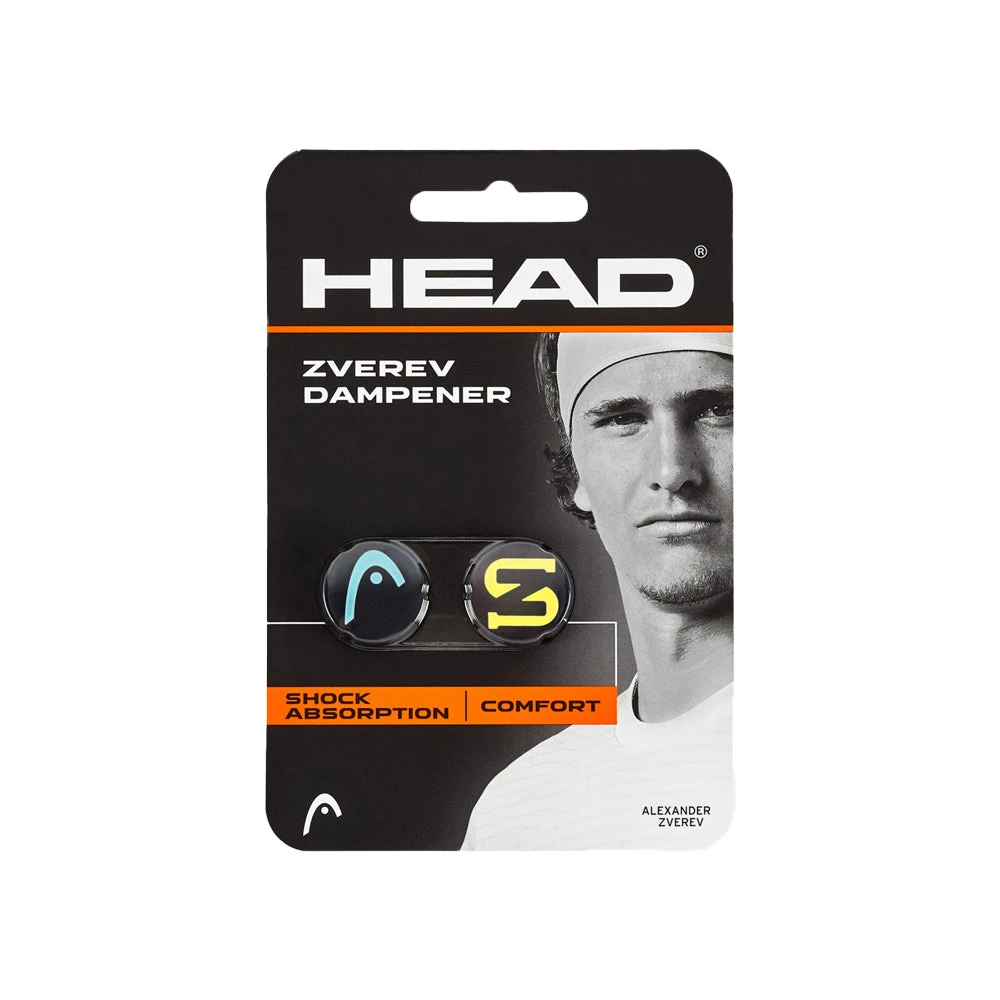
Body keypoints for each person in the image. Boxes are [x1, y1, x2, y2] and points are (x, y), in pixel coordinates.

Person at [461, 332, 734, 849]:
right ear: (576, 473)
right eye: (622, 419)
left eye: (719, 411)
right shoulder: (516, 809)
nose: (672, 471)